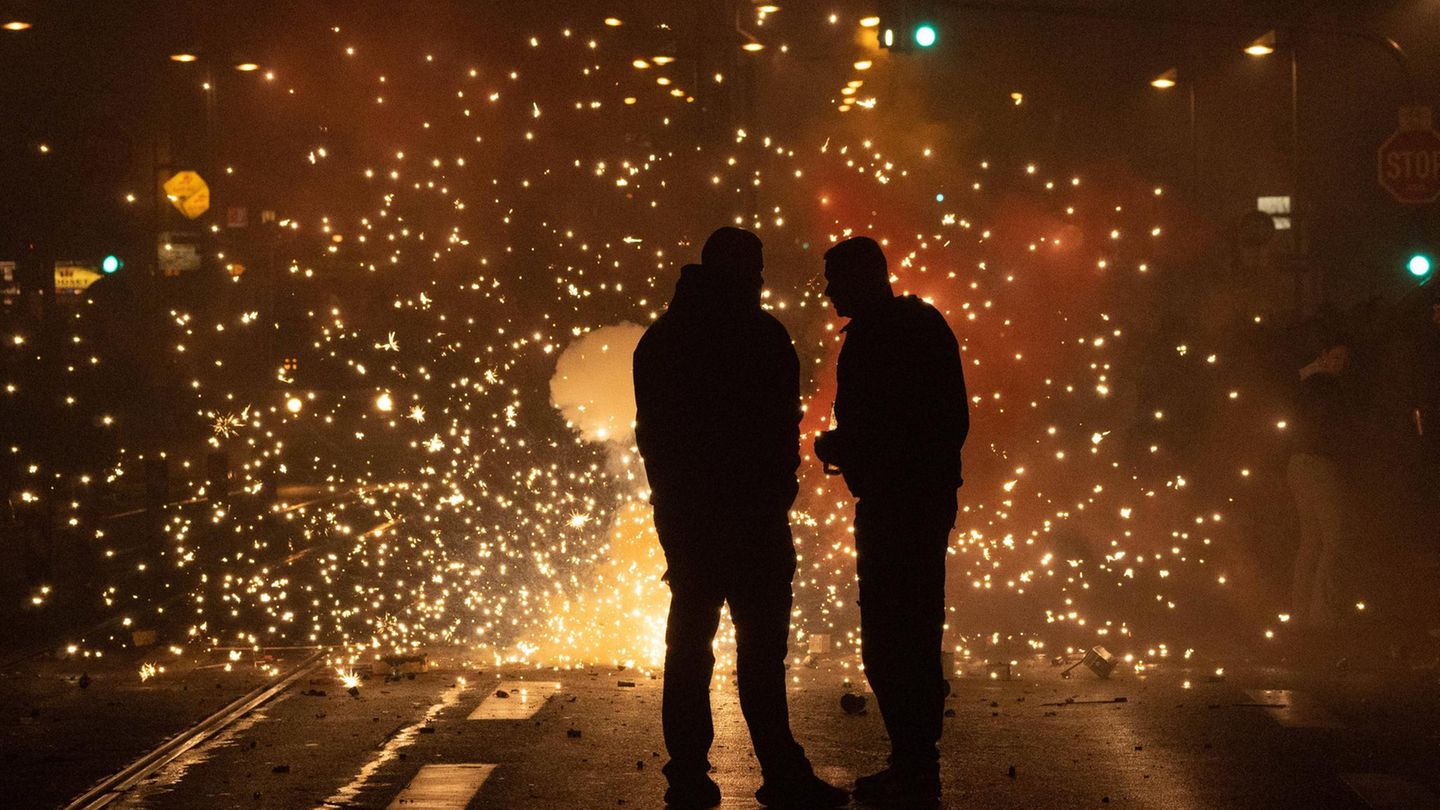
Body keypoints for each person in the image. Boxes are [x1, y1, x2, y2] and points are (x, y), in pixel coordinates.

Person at [633, 228, 847, 809]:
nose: (759, 279)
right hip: (752, 519)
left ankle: (687, 776)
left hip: (693, 520)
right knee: (759, 653)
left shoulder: (663, 339)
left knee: (690, 646)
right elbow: (780, 430)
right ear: (745, 272)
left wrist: (674, 515)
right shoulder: (762, 336)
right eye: (754, 269)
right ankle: (780, 771)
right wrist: (778, 494)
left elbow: (654, 441)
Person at [814, 236, 969, 806]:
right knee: (908, 634)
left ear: (864, 276)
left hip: (898, 505)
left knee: (894, 639)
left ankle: (916, 768)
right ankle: (912, 762)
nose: (829, 290)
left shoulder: (886, 335)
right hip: (915, 502)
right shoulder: (919, 325)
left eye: (835, 278)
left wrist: (847, 447)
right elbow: (941, 420)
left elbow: (909, 426)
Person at [1286, 331, 1356, 633]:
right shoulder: (1321, 386)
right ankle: (1321, 616)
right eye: (1335, 357)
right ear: (1324, 355)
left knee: (1313, 540)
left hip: (1302, 462)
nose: (1340, 364)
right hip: (1315, 463)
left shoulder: (1314, 385)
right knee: (1333, 537)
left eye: (1344, 360)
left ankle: (1302, 615)